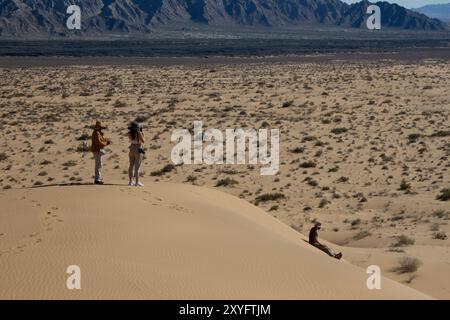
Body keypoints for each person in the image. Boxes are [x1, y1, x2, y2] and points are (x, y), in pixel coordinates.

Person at [90, 120, 108, 185]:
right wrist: (105, 144)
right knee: (98, 165)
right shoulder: (96, 133)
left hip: (97, 150)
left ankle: (98, 178)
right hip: (97, 150)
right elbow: (98, 142)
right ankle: (97, 179)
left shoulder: (97, 133)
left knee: (99, 164)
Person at [128, 121, 145, 187]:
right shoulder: (139, 133)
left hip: (131, 148)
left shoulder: (129, 133)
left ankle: (130, 181)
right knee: (137, 166)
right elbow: (143, 141)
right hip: (138, 148)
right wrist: (142, 133)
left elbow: (131, 139)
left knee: (131, 165)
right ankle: (137, 182)